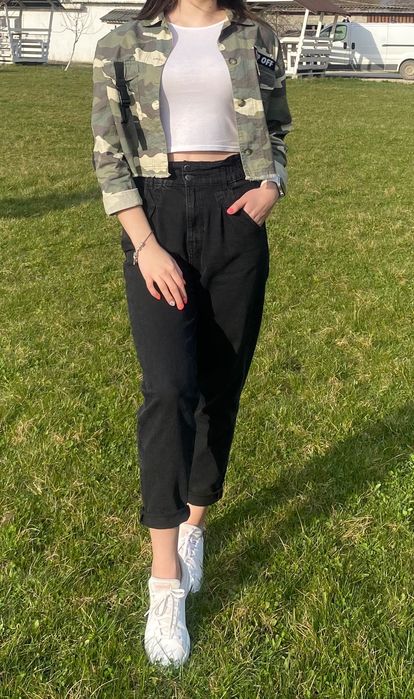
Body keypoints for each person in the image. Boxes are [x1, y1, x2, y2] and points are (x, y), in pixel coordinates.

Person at [91, 0, 293, 668]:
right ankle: (164, 580)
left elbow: (277, 124)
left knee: (220, 386)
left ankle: (194, 525)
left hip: (237, 209)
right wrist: (145, 244)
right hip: (158, 214)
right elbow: (108, 151)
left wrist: (270, 187)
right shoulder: (124, 40)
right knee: (167, 390)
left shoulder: (257, 35)